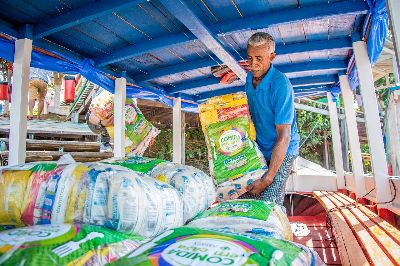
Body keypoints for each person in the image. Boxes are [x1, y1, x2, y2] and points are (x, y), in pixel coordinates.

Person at [241, 32, 300, 206]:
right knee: (247, 195)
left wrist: (267, 179)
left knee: (269, 202)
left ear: (272, 56)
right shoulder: (249, 78)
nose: (253, 64)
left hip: (284, 147)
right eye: (250, 58)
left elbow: (284, 136)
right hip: (261, 145)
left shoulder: (281, 85)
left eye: (259, 58)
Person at [86, 88, 113, 152]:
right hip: (98, 121)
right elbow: (92, 117)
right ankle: (105, 142)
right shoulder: (104, 94)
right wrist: (101, 123)